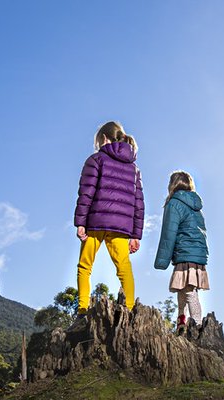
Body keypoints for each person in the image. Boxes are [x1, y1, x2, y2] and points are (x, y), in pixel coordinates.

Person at [74, 120, 144, 312]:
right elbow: (139, 203)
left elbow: (86, 192)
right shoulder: (134, 169)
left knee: (84, 267)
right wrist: (136, 235)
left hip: (94, 223)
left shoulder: (96, 160)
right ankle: (129, 309)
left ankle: (82, 309)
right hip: (121, 228)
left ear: (104, 138)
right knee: (124, 268)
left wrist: (80, 222)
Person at [153, 171, 210, 333]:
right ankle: (181, 320)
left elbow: (168, 233)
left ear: (172, 184)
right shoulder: (197, 207)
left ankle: (198, 326)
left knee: (190, 292)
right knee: (183, 288)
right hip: (198, 254)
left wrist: (162, 261)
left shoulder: (174, 203)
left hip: (185, 253)